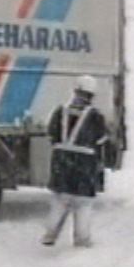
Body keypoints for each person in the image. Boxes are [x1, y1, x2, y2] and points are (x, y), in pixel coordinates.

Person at [40, 75, 110, 248]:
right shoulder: (95, 116)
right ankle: (82, 239)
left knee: (60, 199)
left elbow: (51, 134)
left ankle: (50, 235)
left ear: (75, 91)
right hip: (85, 163)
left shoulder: (60, 111)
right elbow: (102, 139)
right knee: (83, 203)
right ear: (92, 94)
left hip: (61, 161)